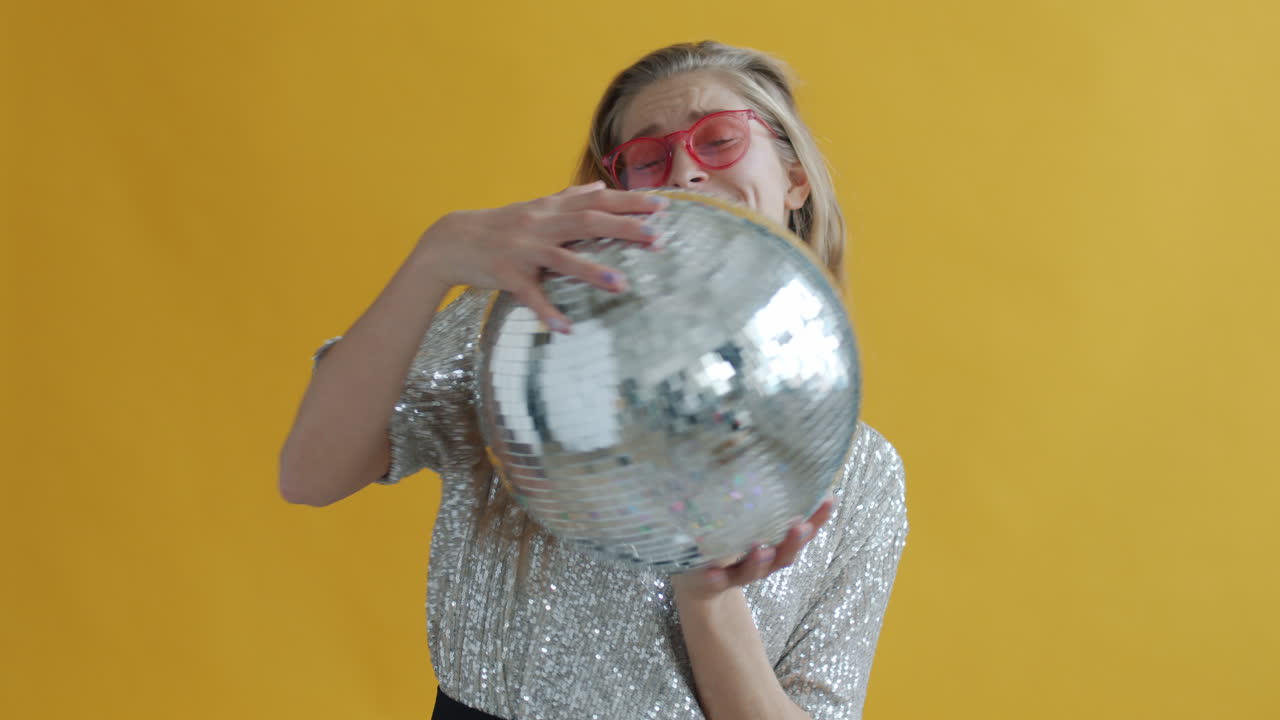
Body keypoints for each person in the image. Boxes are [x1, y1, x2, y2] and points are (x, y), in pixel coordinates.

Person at [280, 41, 908, 720]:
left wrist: (706, 593)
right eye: (647, 158)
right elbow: (310, 475)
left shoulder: (858, 475)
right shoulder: (521, 339)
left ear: (794, 179)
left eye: (719, 139)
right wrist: (436, 257)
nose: (685, 171)